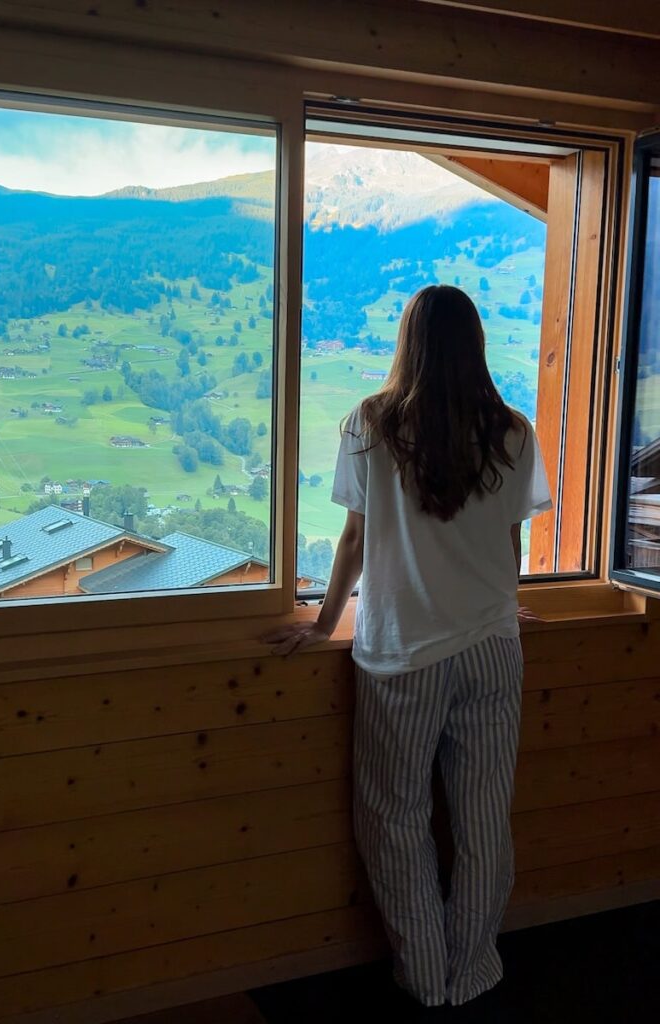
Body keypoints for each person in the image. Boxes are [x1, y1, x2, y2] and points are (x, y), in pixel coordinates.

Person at [264, 285, 551, 1012]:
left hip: (403, 656)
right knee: (485, 817)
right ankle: (473, 970)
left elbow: (356, 539)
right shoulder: (513, 431)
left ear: (408, 343)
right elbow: (507, 542)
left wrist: (325, 622)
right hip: (493, 646)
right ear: (477, 345)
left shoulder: (371, 423)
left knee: (393, 820)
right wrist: (503, 606)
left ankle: (427, 977)